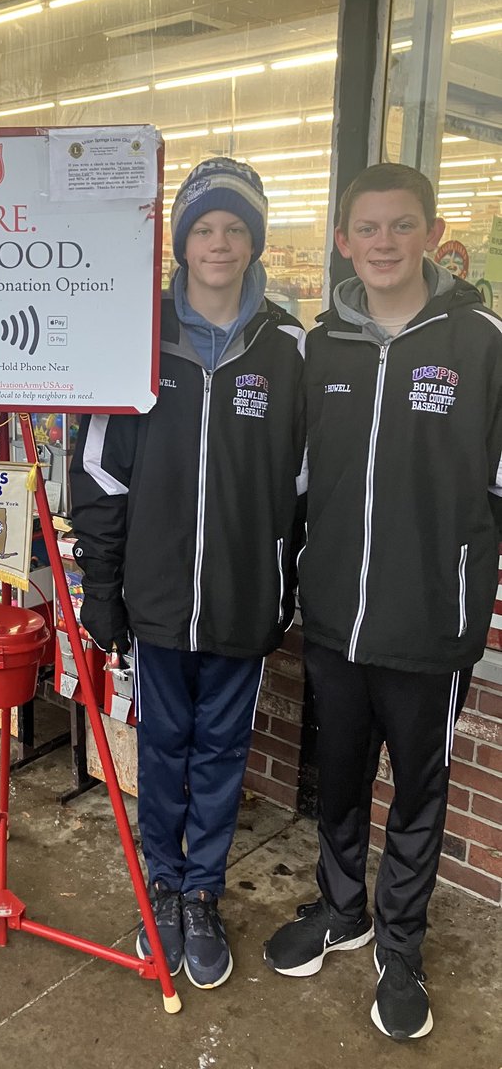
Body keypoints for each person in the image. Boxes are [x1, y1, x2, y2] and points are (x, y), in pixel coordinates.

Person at [263, 163, 502, 1041]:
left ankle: (401, 944)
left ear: (433, 234)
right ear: (343, 242)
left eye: (402, 226)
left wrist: (466, 596)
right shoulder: (318, 347)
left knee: (417, 793)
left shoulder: (482, 344)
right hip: (333, 617)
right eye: (368, 229)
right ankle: (342, 910)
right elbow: (293, 480)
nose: (385, 244)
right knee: (339, 780)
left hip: (428, 625)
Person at [70, 157, 305, 989]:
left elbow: (306, 483)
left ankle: (203, 892)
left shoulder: (288, 349)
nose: (219, 243)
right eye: (204, 227)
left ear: (255, 242)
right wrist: (102, 584)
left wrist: (285, 577)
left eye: (235, 227)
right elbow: (98, 469)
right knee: (163, 747)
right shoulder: (134, 342)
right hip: (157, 597)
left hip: (244, 599)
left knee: (222, 753)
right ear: (179, 243)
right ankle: (159, 887)